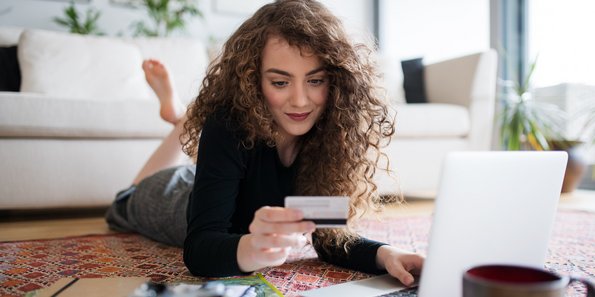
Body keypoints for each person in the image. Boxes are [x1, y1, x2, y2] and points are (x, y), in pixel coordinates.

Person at [106, 0, 424, 286]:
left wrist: (385, 254)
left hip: (210, 181)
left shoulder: (331, 130)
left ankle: (183, 119)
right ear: (253, 81)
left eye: (315, 80)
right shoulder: (227, 123)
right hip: (171, 201)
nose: (300, 101)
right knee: (127, 197)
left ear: (336, 80)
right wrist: (251, 248)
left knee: (198, 175)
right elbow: (200, 249)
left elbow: (328, 237)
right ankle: (183, 119)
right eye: (280, 82)